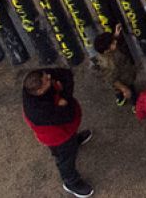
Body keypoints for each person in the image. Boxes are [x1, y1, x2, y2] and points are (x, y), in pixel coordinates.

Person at [22, 66, 95, 198]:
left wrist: (64, 98)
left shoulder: (36, 81)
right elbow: (68, 115)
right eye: (47, 80)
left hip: (64, 130)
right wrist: (65, 97)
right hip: (58, 136)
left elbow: (66, 73)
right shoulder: (39, 112)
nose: (50, 77)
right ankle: (71, 182)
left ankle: (72, 141)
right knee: (65, 159)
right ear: (40, 91)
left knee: (68, 145)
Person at [93, 24, 138, 107]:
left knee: (118, 91)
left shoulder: (106, 52)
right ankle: (136, 104)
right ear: (106, 50)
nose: (115, 42)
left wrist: (115, 35)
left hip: (123, 76)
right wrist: (124, 89)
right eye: (113, 43)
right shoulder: (109, 64)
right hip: (124, 80)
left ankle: (120, 97)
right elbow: (113, 80)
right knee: (131, 93)